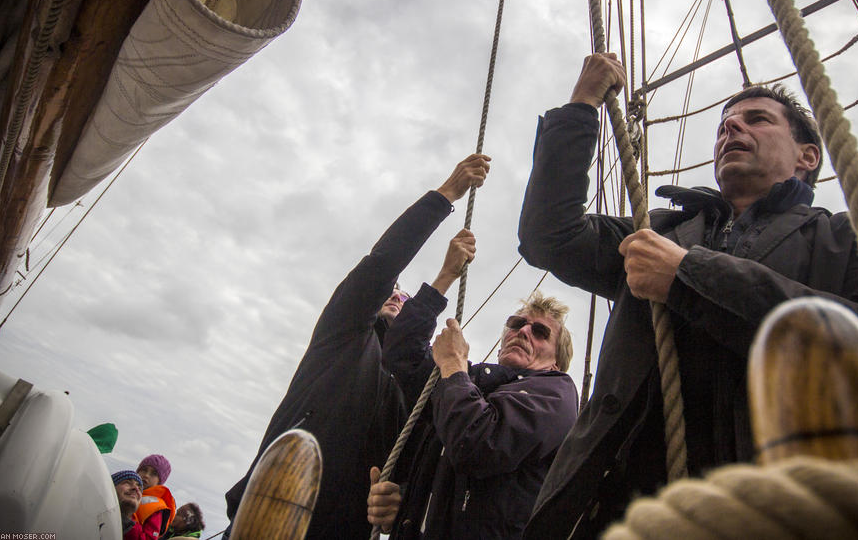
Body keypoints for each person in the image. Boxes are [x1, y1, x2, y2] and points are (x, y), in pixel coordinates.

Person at [516, 53, 858, 537]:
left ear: (807, 157)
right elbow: (550, 236)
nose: (731, 130)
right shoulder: (658, 230)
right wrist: (581, 108)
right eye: (724, 126)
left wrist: (690, 276)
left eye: (757, 120)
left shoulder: (850, 239)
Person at [223, 153, 491, 539]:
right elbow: (381, 265)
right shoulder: (342, 335)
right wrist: (446, 193)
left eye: (403, 295)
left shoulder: (413, 386)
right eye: (393, 292)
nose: (397, 296)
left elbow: (409, 465)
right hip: (265, 518)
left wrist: (393, 502)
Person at [369, 282, 579, 539]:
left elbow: (479, 445)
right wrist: (404, 505)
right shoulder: (468, 387)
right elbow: (403, 354)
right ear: (502, 344)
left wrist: (454, 365)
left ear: (556, 363)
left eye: (540, 332)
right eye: (516, 324)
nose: (523, 331)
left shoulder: (556, 394)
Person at [132, 454, 177, 540]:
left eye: (154, 474)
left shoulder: (156, 509)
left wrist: (129, 523)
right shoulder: (124, 489)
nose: (146, 475)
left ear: (159, 482)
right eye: (144, 470)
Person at [112, 470, 143, 538]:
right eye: (127, 483)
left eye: (140, 488)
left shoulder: (137, 535)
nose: (136, 488)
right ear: (111, 488)